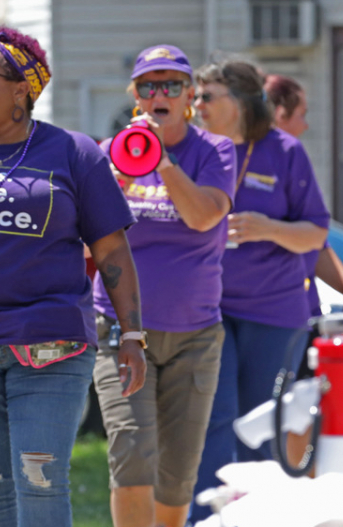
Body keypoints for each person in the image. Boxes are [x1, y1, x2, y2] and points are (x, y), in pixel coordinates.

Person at [0, 26, 143, 527]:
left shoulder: (75, 153)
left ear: (21, 87)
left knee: (40, 483)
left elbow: (111, 249)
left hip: (50, 343)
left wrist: (130, 332)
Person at [94, 45, 235, 527]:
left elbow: (203, 216)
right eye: (150, 85)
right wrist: (117, 182)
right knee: (133, 451)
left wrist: (162, 161)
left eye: (171, 85)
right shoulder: (108, 154)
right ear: (136, 96)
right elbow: (88, 240)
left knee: (177, 471)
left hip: (195, 334)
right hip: (122, 328)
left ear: (189, 96)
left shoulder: (215, 151)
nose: (161, 94)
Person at [191, 59, 329, 521]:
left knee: (262, 423)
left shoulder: (284, 151)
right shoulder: (196, 151)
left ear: (241, 100)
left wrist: (269, 228)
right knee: (214, 417)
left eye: (208, 96)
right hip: (210, 310)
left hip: (275, 312)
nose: (198, 105)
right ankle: (208, 516)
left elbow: (314, 234)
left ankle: (263, 516)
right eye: (197, 96)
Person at [264, 73, 343, 468]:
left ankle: (294, 495)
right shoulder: (243, 160)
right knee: (272, 414)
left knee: (300, 409)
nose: (306, 125)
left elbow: (316, 240)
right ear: (279, 112)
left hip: (303, 315)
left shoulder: (291, 160)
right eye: (301, 113)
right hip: (263, 316)